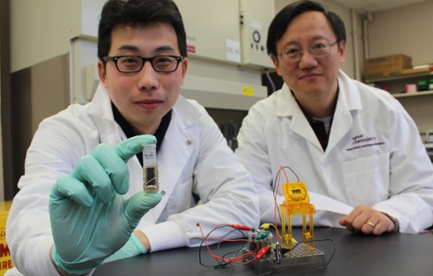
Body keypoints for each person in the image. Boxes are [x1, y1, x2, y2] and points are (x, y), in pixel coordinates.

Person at [6, 0, 259, 275]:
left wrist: (144, 239)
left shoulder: (195, 121)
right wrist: (63, 260)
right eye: (129, 61)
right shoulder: (63, 130)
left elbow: (243, 203)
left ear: (183, 70)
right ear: (103, 72)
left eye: (163, 61)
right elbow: (26, 232)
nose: (148, 80)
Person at [235, 0, 433, 236]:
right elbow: (248, 196)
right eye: (292, 51)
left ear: (341, 50)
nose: (307, 61)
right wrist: (339, 213)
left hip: (378, 248)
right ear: (277, 63)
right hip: (300, 253)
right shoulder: (261, 119)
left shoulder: (384, 109)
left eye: (319, 46)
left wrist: (388, 215)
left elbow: (422, 190)